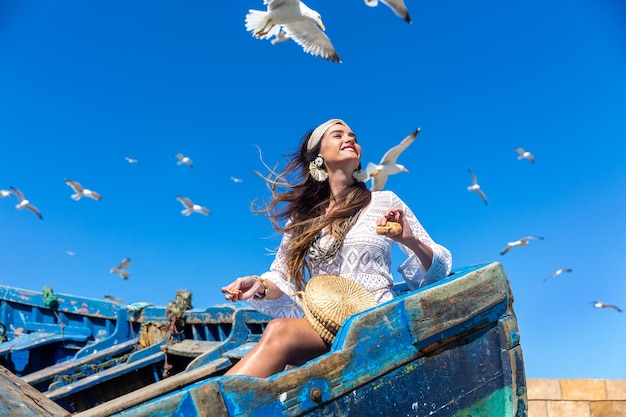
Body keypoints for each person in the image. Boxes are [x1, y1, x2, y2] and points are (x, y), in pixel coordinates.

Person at [221, 118, 452, 378]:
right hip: (325, 324)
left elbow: (438, 271)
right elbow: (282, 277)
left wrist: (410, 240)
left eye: (353, 135)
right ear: (318, 155)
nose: (350, 138)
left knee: (279, 332)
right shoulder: (303, 219)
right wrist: (259, 285)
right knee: (281, 337)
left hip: (372, 320)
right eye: (338, 135)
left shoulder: (384, 201)